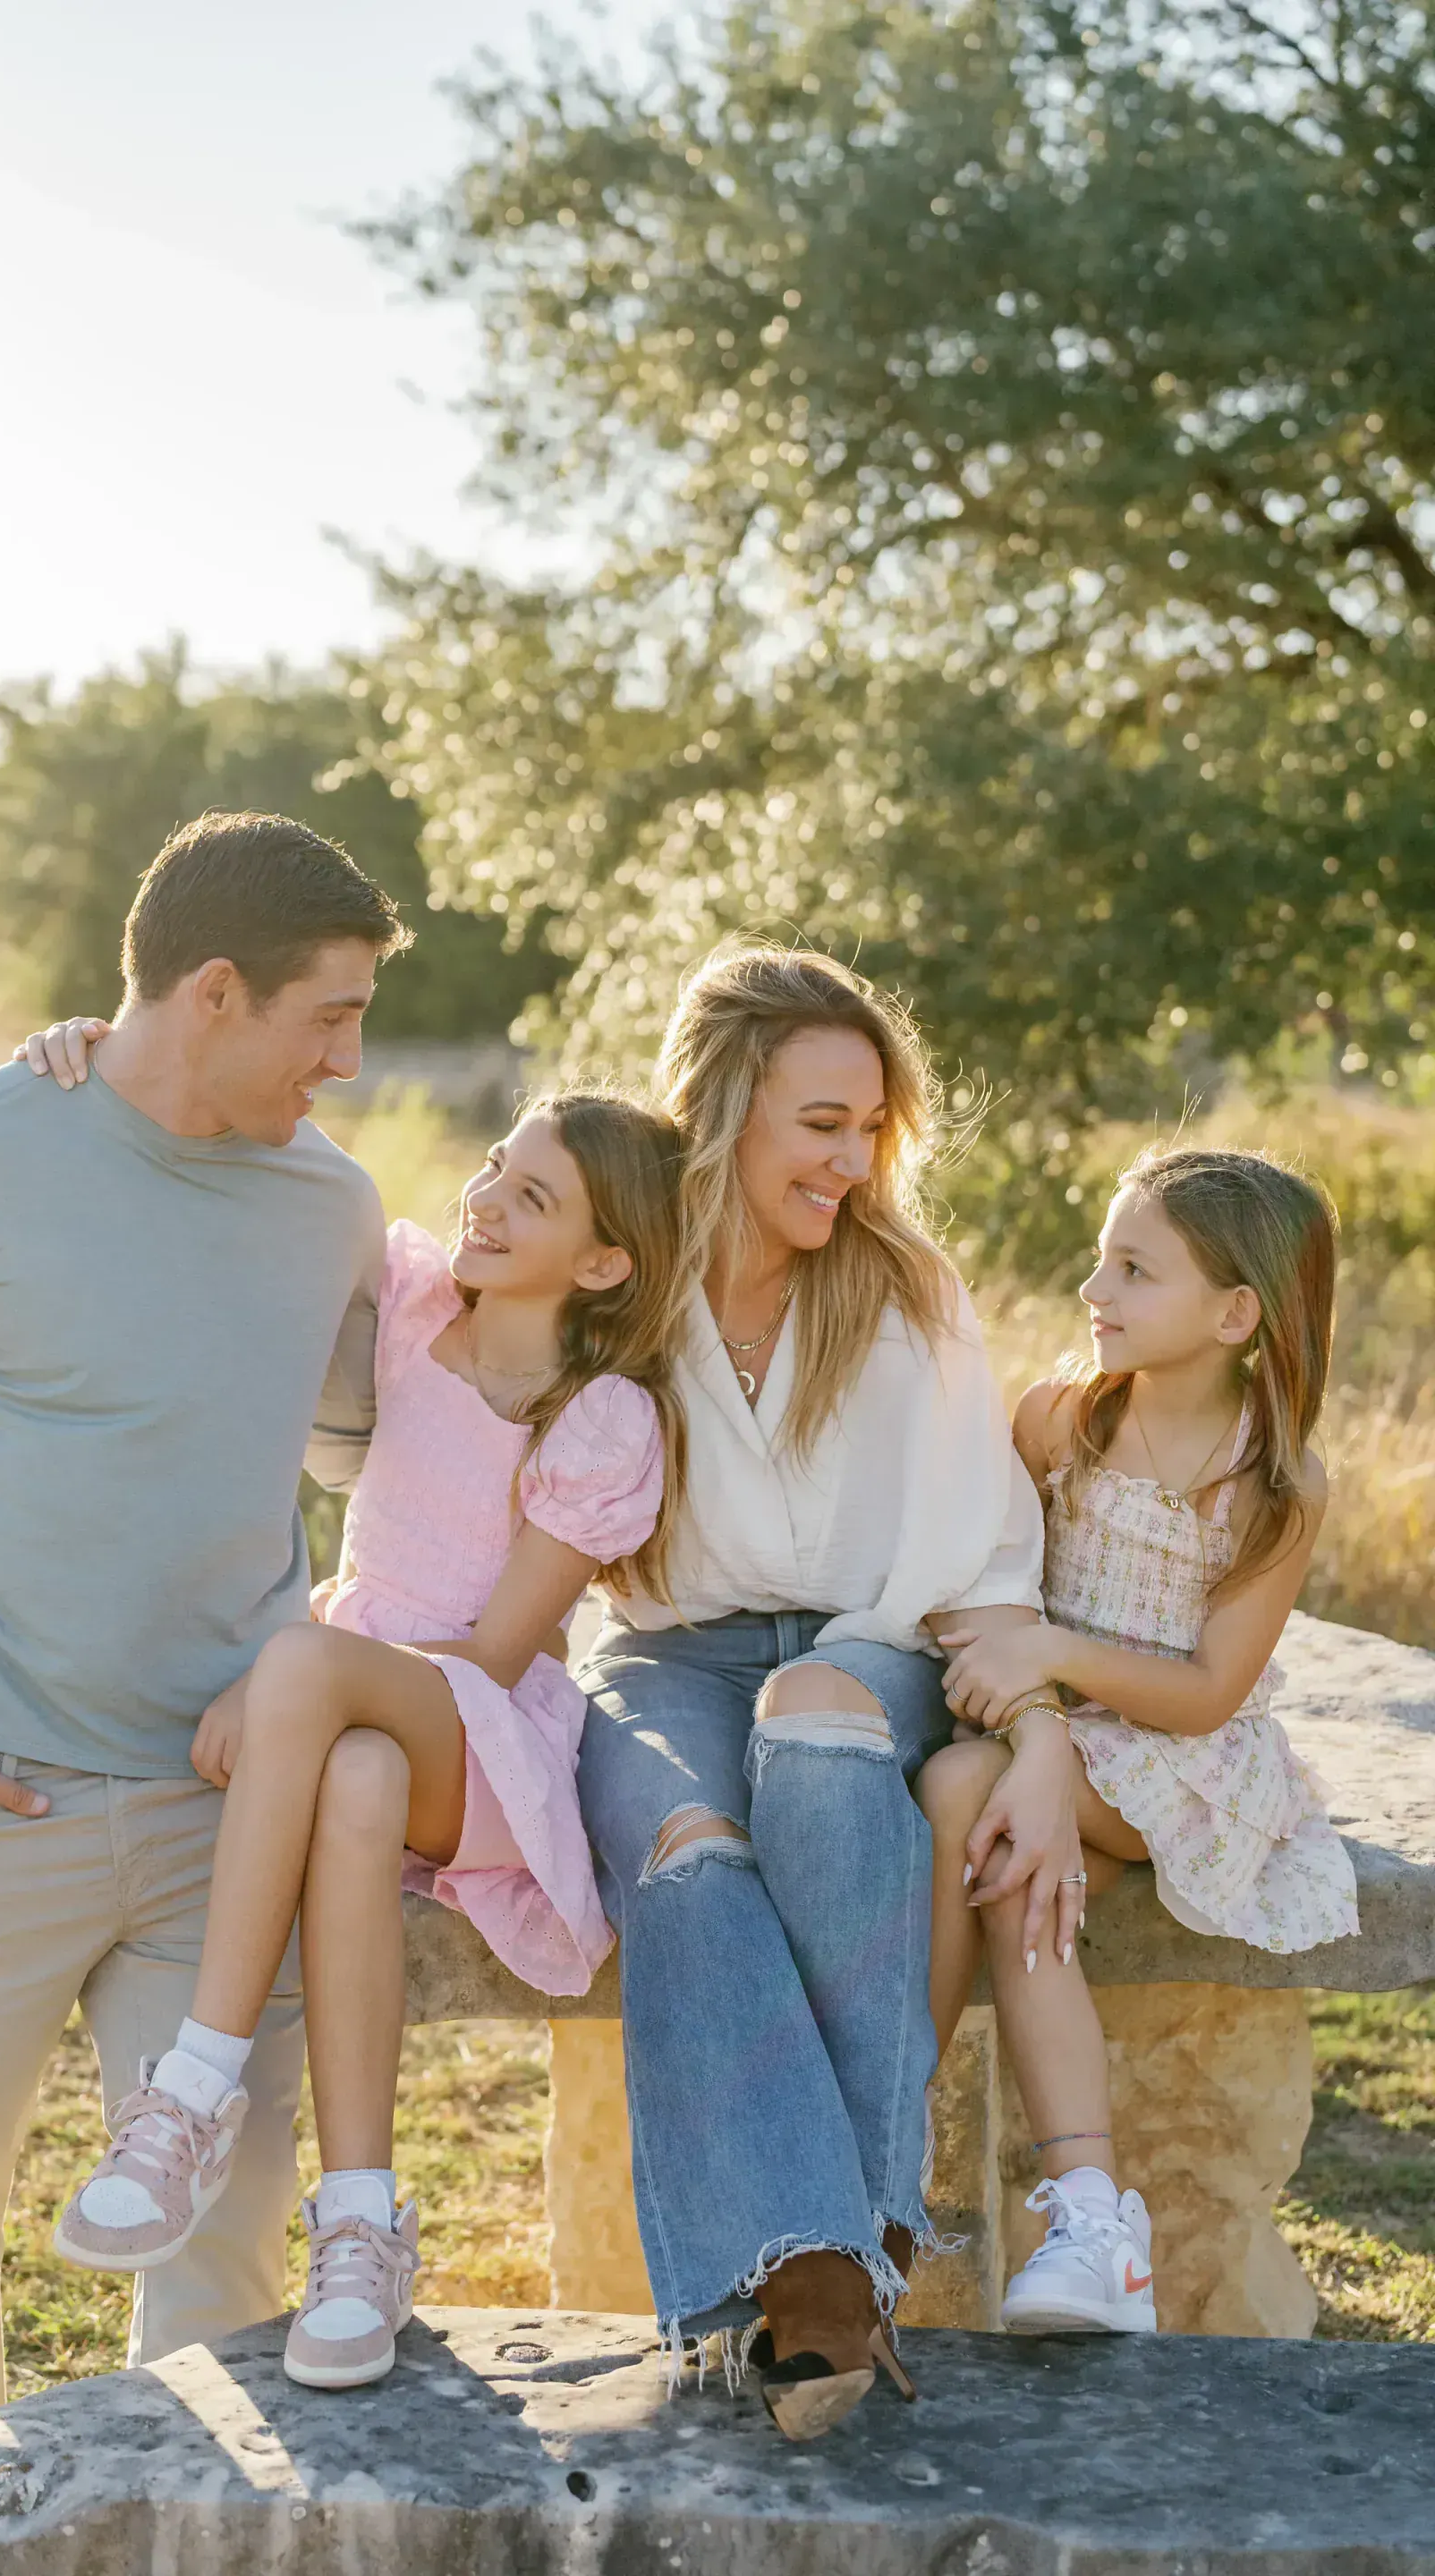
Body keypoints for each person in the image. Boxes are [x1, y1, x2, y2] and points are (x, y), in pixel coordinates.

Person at [0, 811, 405, 2574]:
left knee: (222, 2225)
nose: (348, 1060)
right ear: (214, 991)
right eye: (329, 1016)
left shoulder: (335, 1204)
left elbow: (390, 1451)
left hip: (233, 1813)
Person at [39, 1090, 684, 2393]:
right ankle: (361, 2223)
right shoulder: (415, 1307)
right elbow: (259, 1139)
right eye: (494, 1168)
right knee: (356, 1777)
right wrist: (107, 1055)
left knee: (334, 1702)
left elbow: (499, 1657)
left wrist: (304, 1679)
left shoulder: (600, 1414)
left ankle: (195, 2088)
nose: (488, 1200)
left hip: (489, 1746)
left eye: (535, 1198)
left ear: (606, 1263)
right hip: (369, 1735)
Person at [571, 941, 1048, 2440]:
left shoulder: (903, 1286)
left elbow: (979, 1540)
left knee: (818, 1730)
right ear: (724, 1111)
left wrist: (1032, 1730)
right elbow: (410, 1363)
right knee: (689, 1858)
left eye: (869, 1128)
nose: (851, 1161)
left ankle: (827, 2270)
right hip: (666, 1657)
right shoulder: (616, 1273)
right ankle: (839, 2251)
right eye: (819, 1123)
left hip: (871, 1649)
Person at [918, 1146, 1358, 2336]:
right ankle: (1090, 2221)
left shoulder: (1269, 1482)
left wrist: (1051, 1664)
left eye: (1134, 1269)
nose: (1094, 1290)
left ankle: (891, 2128)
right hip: (1049, 1737)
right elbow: (993, 1574)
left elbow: (1212, 1690)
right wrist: (1036, 1692)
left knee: (964, 1786)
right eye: (1101, 1259)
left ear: (1235, 1313)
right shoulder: (1059, 1423)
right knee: (1021, 1883)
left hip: (1178, 1762)